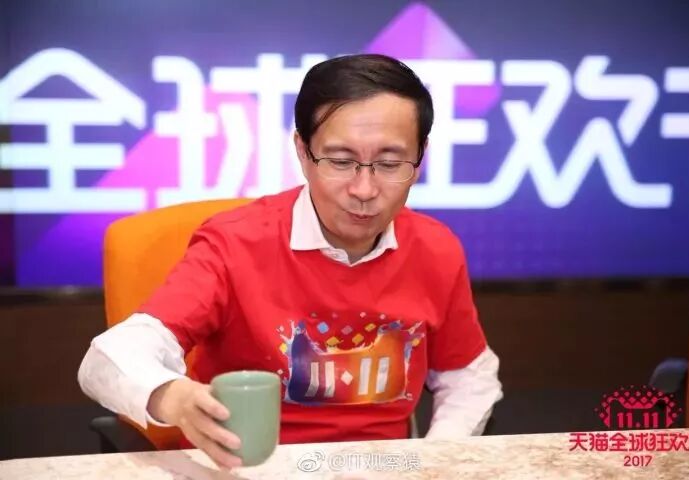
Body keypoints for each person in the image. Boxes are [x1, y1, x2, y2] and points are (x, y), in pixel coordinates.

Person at [78, 53, 503, 470]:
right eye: (341, 161)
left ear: (420, 156)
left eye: (390, 163)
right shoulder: (234, 243)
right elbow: (109, 357)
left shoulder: (435, 248)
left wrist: (435, 458)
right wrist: (171, 397)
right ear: (302, 150)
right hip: (245, 469)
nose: (364, 189)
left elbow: (469, 377)